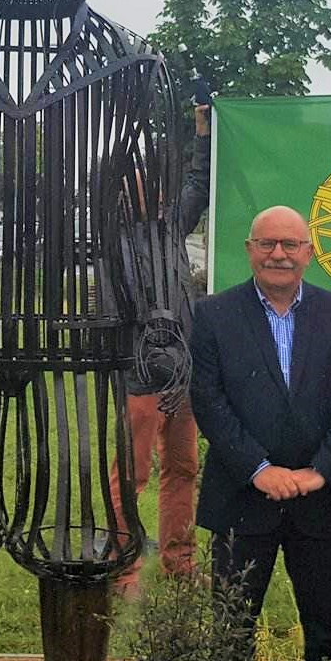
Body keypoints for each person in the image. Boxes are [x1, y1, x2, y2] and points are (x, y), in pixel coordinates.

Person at [189, 205, 331, 661]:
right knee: (232, 627)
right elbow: (209, 400)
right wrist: (259, 470)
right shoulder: (215, 315)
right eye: (267, 243)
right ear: (249, 250)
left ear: (309, 253)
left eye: (290, 245)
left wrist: (321, 471)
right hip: (242, 497)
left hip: (323, 501)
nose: (278, 254)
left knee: (327, 630)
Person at [108, 102, 212, 598]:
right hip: (138, 373)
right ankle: (122, 566)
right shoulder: (112, 243)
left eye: (149, 181)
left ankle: (179, 563)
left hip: (184, 372)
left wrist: (202, 128)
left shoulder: (172, 225)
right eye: (131, 182)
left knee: (183, 469)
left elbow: (202, 180)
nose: (144, 189)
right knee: (133, 473)